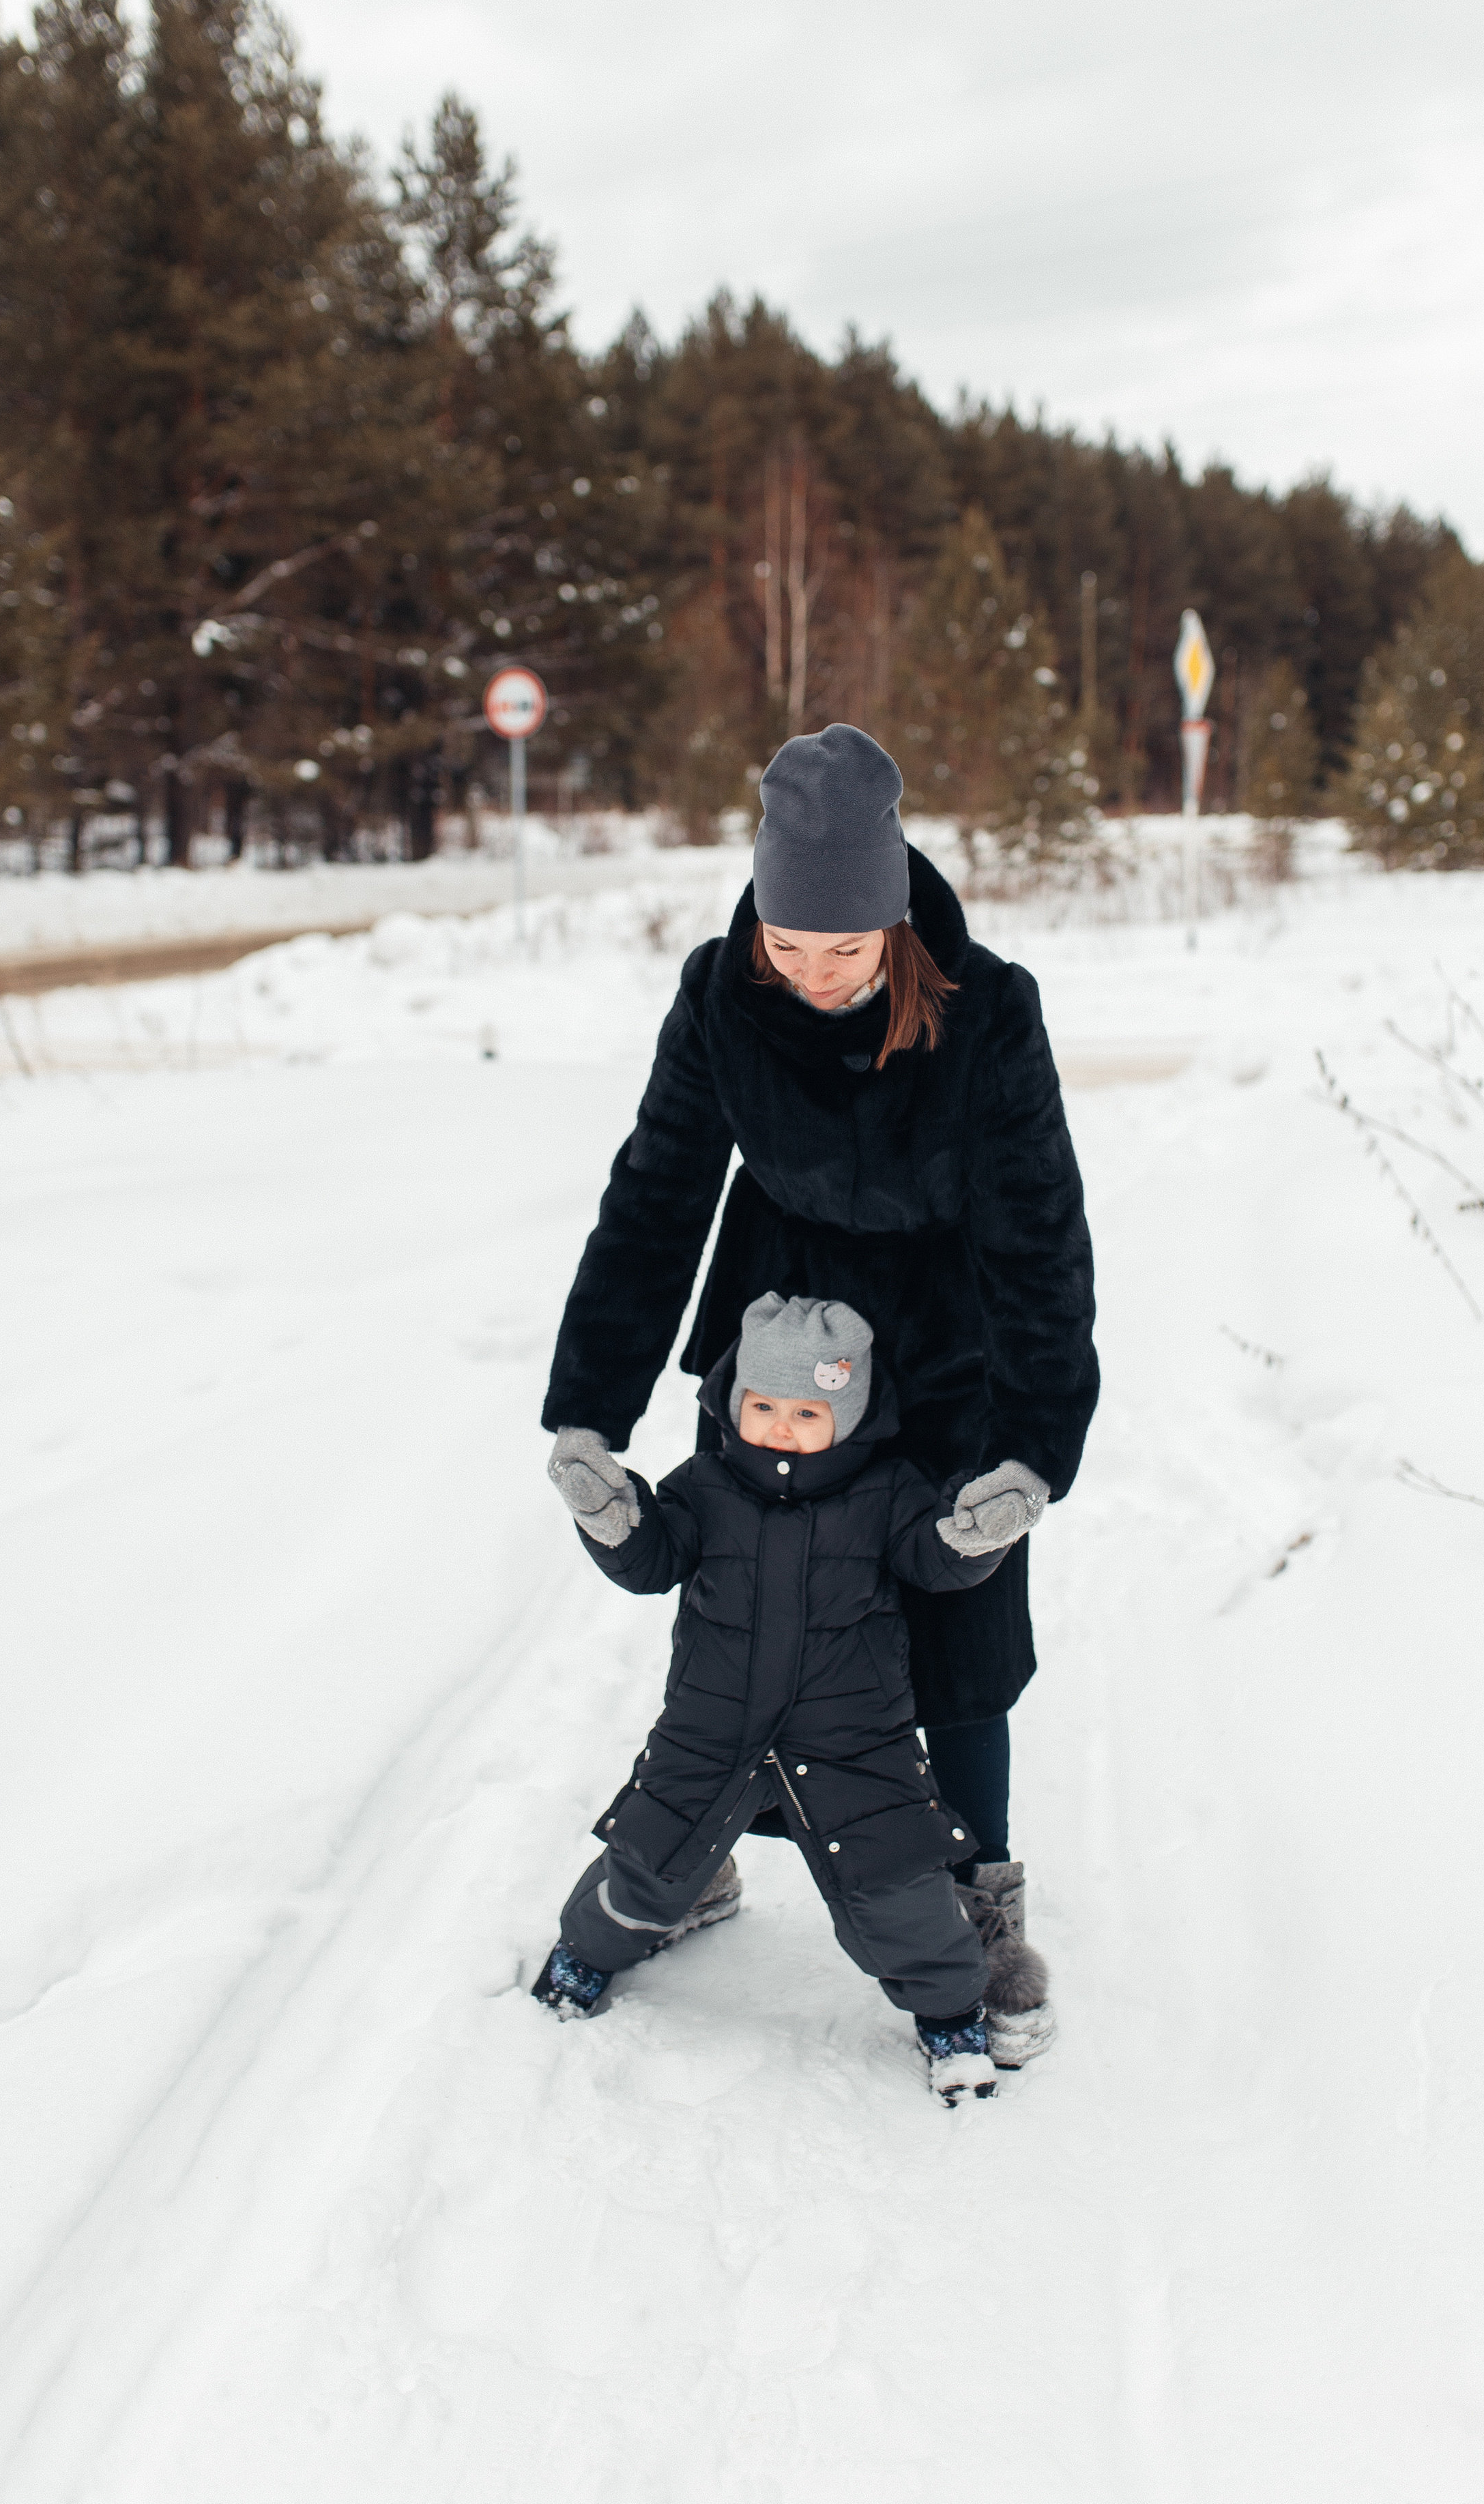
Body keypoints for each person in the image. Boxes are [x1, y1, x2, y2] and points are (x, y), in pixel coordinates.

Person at [542, 722, 1097, 2052]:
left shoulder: (987, 1011)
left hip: (945, 1338)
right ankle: (689, 1866)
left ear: (894, 919)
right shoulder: (721, 992)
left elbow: (1036, 1234)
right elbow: (657, 1191)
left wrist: (1029, 1440)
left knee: (953, 1633)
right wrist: (588, 1403)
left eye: (841, 951)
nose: (810, 975)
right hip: (778, 1343)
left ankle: (971, 1896)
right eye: (788, 948)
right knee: (753, 1607)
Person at [536, 1292, 1047, 2104]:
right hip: (709, 1732)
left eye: (807, 1410)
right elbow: (652, 1559)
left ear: (851, 1415)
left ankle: (952, 2016)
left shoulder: (887, 1493)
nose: (780, 1425)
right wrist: (611, 1517)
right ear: (734, 1402)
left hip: (855, 1741)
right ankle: (583, 1955)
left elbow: (934, 1560)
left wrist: (972, 1533)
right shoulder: (704, 1484)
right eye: (763, 1404)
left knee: (900, 1896)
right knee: (646, 1865)